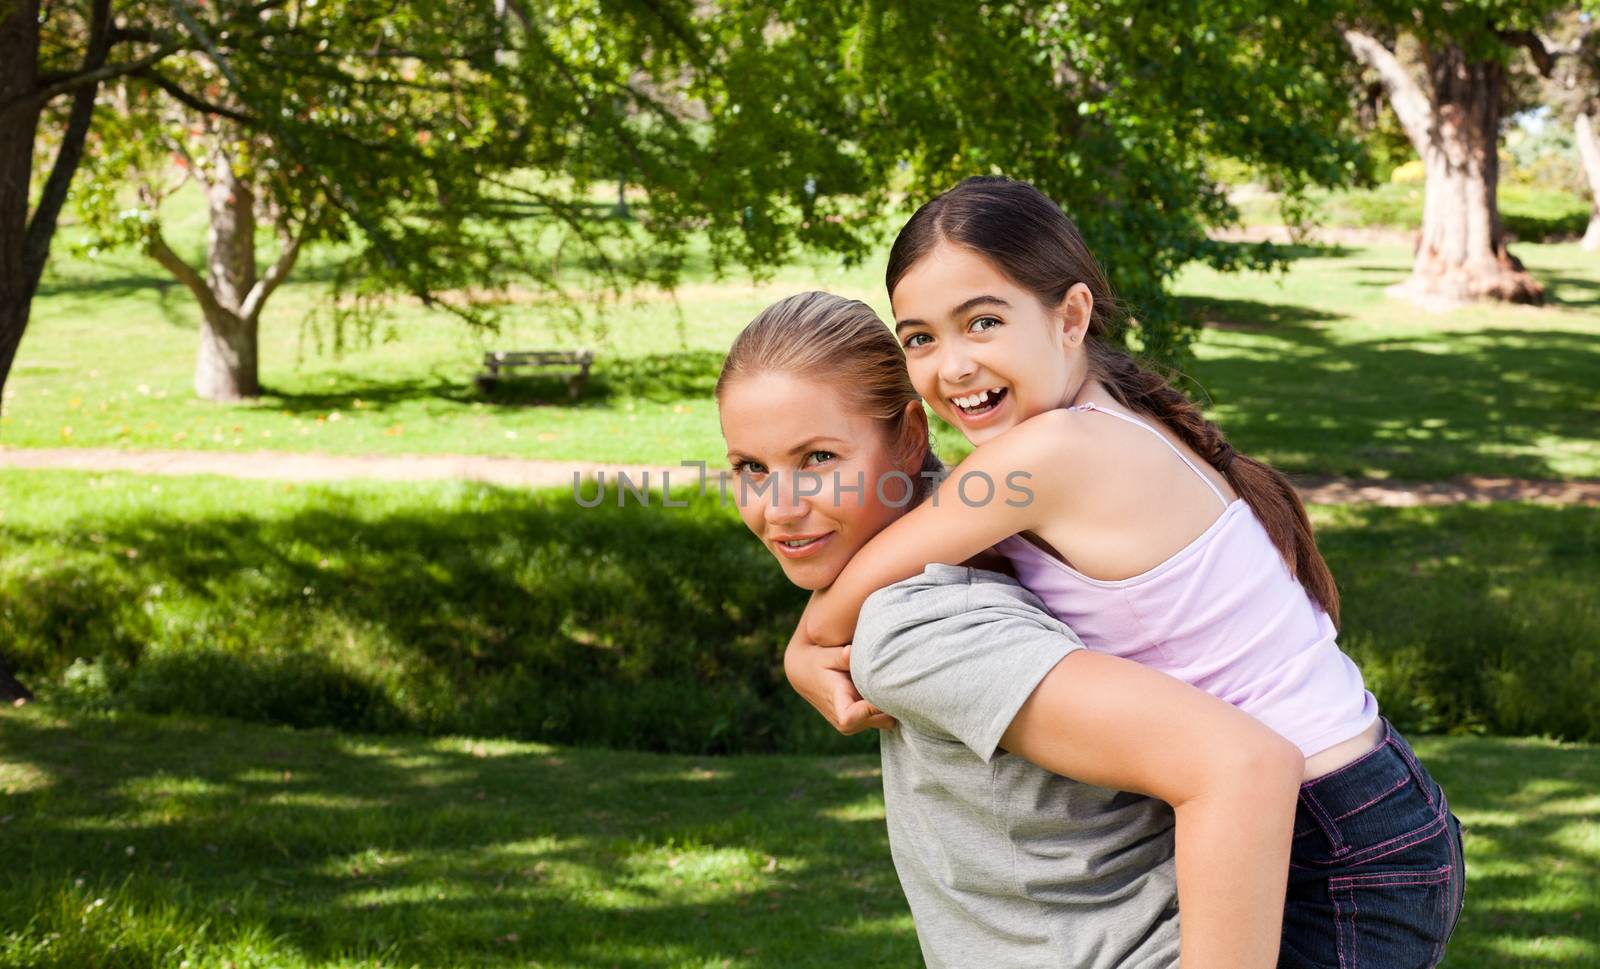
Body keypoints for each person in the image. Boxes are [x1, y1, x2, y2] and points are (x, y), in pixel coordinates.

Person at [800, 176, 1466, 969]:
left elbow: (872, 571)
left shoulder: (1052, 454)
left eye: (983, 321)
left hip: (1332, 841)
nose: (953, 365)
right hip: (1361, 808)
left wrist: (806, 648)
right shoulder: (1109, 417)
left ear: (1071, 315)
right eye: (920, 338)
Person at [717, 291, 1305, 969]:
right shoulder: (997, 518)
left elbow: (1242, 765)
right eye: (750, 468)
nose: (779, 508)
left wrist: (817, 635)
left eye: (818, 458)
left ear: (911, 436)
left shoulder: (914, 631)